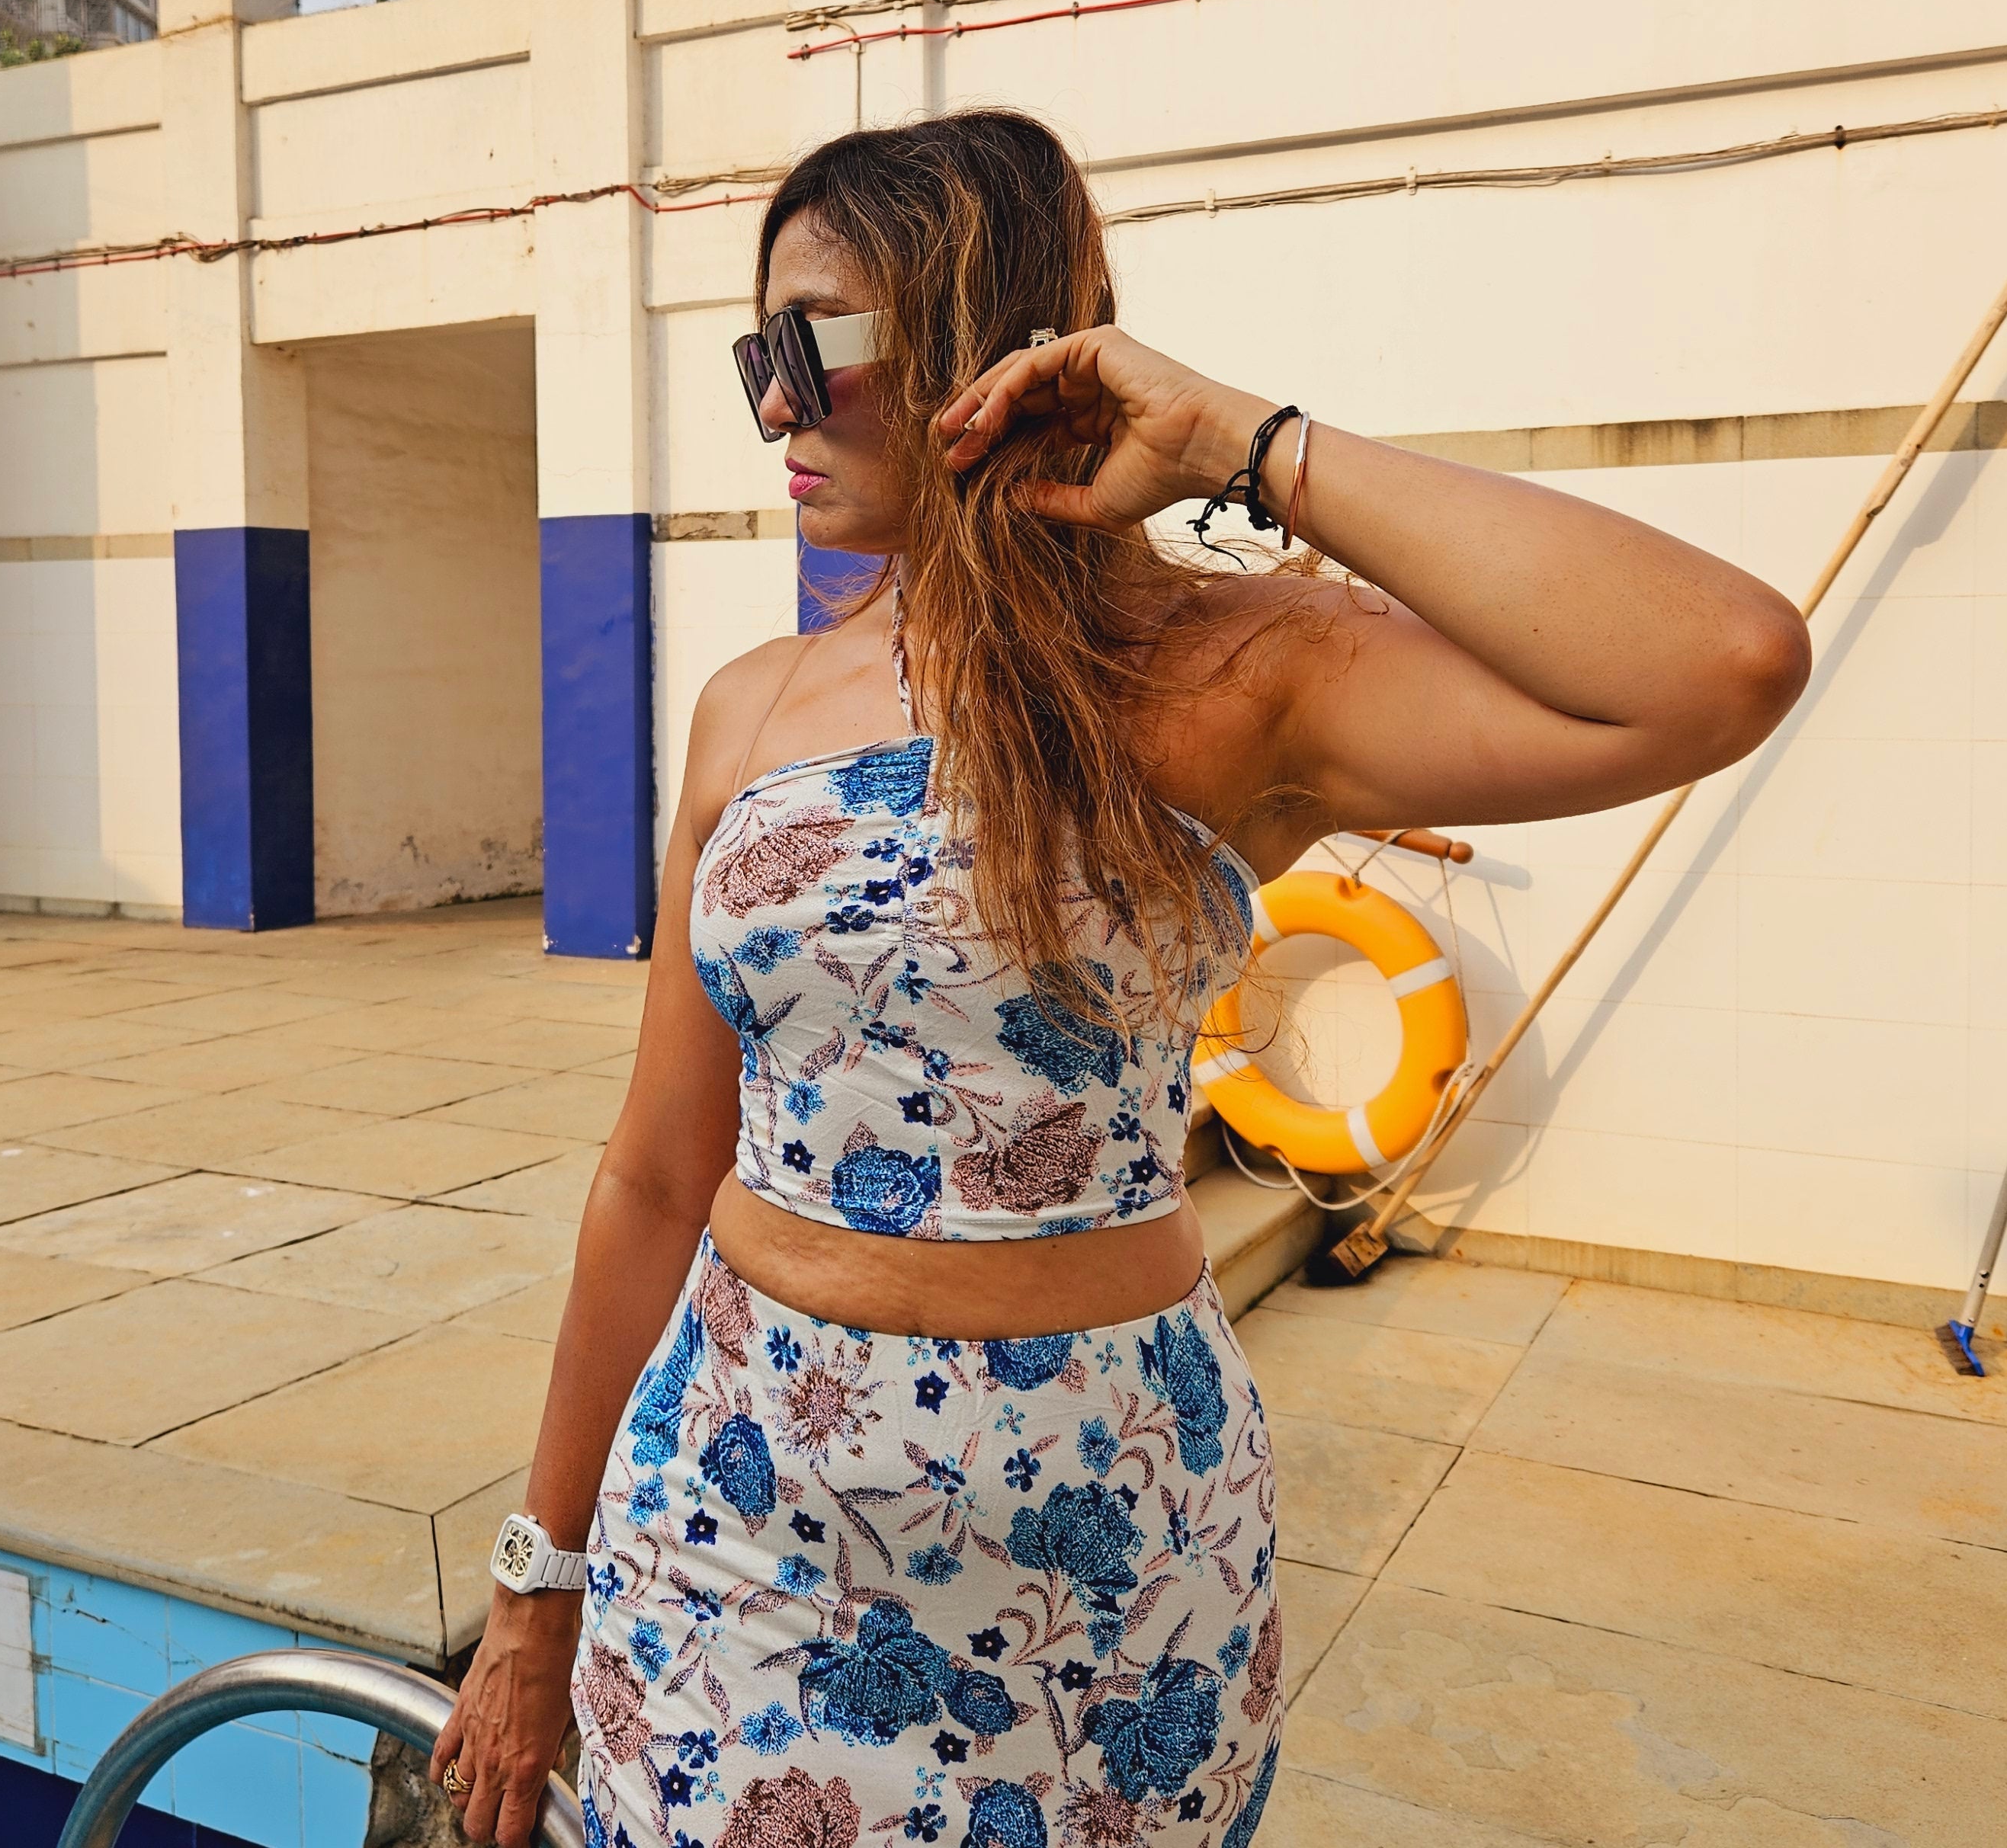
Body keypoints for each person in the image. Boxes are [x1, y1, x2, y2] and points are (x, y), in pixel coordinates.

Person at [432, 110, 1810, 1848]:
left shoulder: (1225, 674)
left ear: (979, 347)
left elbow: (1722, 662)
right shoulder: (750, 707)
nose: (774, 402)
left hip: (1109, 1569)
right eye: (750, 355)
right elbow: (649, 1174)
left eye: (814, 344)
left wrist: (1243, 440)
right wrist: (539, 1581)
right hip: (741, 1542)